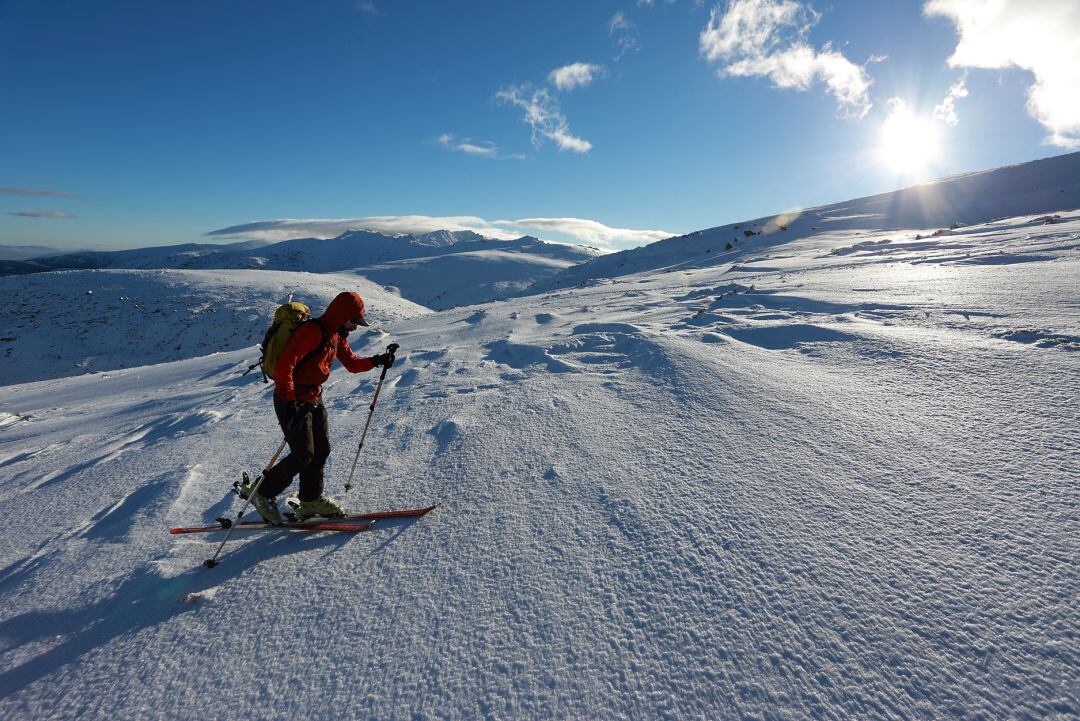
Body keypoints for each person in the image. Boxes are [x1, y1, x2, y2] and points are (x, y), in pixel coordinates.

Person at [251, 291, 394, 524]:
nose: (356, 327)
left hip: (313, 398)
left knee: (321, 450)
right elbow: (284, 367)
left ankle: (310, 500)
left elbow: (352, 364)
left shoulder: (336, 335)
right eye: (353, 321)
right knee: (302, 454)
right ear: (341, 316)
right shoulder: (312, 332)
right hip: (292, 399)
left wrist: (377, 361)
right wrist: (290, 402)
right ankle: (263, 493)